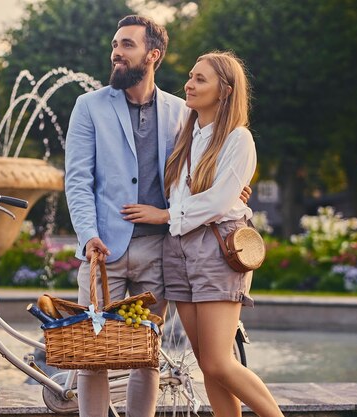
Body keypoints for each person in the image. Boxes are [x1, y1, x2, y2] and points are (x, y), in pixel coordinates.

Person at [122, 51, 284, 417]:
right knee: (209, 363)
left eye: (200, 79)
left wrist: (165, 215)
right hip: (177, 249)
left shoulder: (238, 139)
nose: (189, 84)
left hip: (217, 248)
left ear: (224, 91)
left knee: (217, 363)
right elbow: (187, 192)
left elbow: (217, 201)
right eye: (191, 76)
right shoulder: (187, 135)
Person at [64, 14, 186, 417]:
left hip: (158, 250)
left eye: (127, 45)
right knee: (92, 356)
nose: (116, 52)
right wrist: (87, 236)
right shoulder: (89, 106)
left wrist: (232, 186)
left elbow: (200, 174)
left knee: (145, 356)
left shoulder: (182, 112)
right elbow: (77, 180)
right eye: (115, 45)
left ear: (153, 54)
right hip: (101, 252)